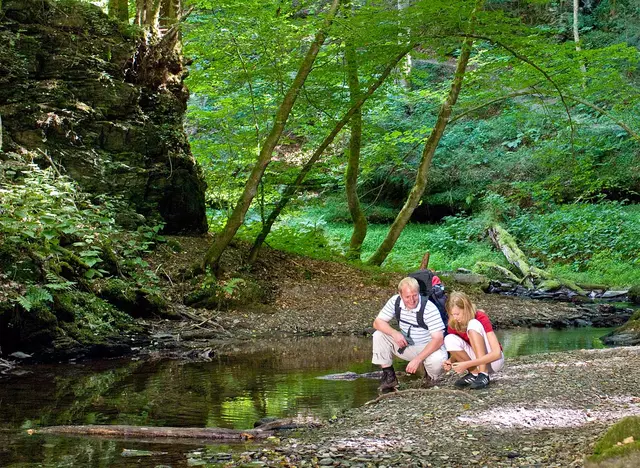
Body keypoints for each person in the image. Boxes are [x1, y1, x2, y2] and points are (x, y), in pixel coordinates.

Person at [372, 277, 448, 392]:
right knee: (379, 335)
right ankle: (389, 377)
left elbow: (438, 339)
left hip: (429, 347)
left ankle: (431, 378)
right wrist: (394, 333)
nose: (412, 300)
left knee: (437, 361)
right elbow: (377, 322)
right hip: (407, 345)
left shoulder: (429, 308)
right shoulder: (395, 301)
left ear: (419, 293)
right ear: (400, 294)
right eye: (407, 297)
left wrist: (418, 360)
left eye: (415, 295)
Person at [442, 291, 504, 390]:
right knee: (448, 339)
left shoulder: (480, 317)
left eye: (457, 314)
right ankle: (474, 373)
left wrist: (466, 364)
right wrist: (451, 360)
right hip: (476, 361)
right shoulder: (454, 323)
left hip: (494, 361)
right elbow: (460, 347)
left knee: (473, 324)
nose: (455, 318)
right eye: (452, 314)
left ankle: (483, 374)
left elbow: (497, 353)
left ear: (466, 309)